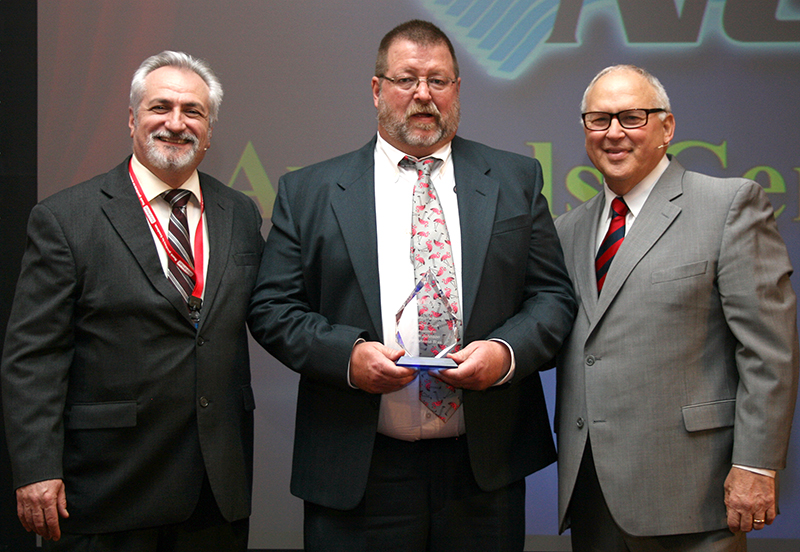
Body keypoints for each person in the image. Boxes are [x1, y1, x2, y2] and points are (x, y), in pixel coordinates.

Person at [248, 19, 576, 552]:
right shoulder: (308, 191)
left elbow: (553, 297)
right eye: (406, 79)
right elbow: (271, 308)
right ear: (377, 89)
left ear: (457, 90)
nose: (423, 95)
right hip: (359, 469)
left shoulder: (516, 179)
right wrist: (347, 358)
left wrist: (505, 352)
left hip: (482, 470)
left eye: (438, 80)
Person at [1, 51, 264, 551]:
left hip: (215, 490)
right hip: (106, 489)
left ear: (209, 131)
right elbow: (32, 358)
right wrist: (36, 469)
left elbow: (271, 312)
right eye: (159, 107)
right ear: (131, 120)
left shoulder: (240, 212)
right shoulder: (66, 218)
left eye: (193, 111)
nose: (175, 123)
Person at [554, 64, 799, 551]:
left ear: (667, 127)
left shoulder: (728, 205)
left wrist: (756, 465)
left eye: (632, 116)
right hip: (592, 495)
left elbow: (769, 350)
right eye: (599, 119)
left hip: (694, 495)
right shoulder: (567, 230)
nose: (614, 132)